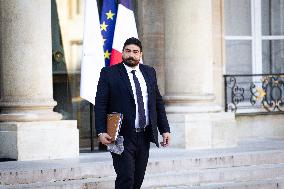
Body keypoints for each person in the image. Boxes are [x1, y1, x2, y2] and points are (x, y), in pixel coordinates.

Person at [94, 37, 171, 189]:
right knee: (126, 177)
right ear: (122, 52)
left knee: (138, 179)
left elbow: (157, 102)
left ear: (140, 54)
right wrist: (101, 131)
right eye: (128, 51)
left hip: (144, 135)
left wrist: (165, 130)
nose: (131, 55)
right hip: (121, 135)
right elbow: (100, 104)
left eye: (135, 52)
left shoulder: (149, 72)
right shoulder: (109, 73)